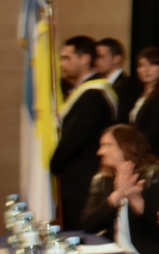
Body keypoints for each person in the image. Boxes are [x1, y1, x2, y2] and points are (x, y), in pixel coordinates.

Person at [80, 124, 159, 254]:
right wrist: (115, 197)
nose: (100, 152)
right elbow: (87, 225)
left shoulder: (151, 175)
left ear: (126, 145)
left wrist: (137, 202)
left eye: (108, 145)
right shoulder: (101, 180)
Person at [50, 35, 117, 229]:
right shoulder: (83, 92)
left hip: (83, 182)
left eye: (66, 58)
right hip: (77, 181)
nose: (62, 64)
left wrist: (53, 164)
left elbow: (73, 139)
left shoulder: (94, 94)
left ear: (85, 59)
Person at [130, 46, 159, 173]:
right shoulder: (140, 96)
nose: (146, 70)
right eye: (141, 65)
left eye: (152, 64)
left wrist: (135, 150)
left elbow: (156, 130)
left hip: (157, 158)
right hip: (141, 158)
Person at [95, 37, 140, 123]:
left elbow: (122, 118)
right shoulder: (98, 83)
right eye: (96, 57)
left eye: (101, 57)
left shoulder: (127, 85)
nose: (96, 61)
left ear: (116, 58)